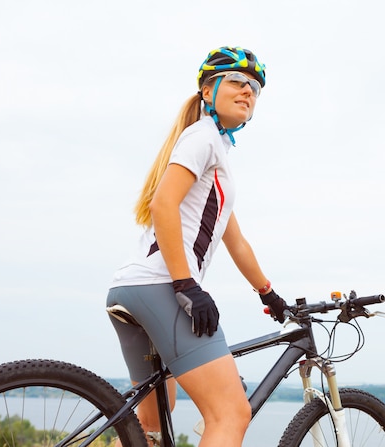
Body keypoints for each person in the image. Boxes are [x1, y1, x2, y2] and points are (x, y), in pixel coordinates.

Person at [106, 46, 287, 447]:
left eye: (255, 88)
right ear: (208, 92)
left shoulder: (214, 154)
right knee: (231, 414)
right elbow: (163, 203)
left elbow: (234, 240)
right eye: (237, 82)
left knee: (150, 427)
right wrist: (186, 285)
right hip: (162, 286)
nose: (248, 92)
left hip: (130, 289)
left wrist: (268, 293)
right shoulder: (202, 138)